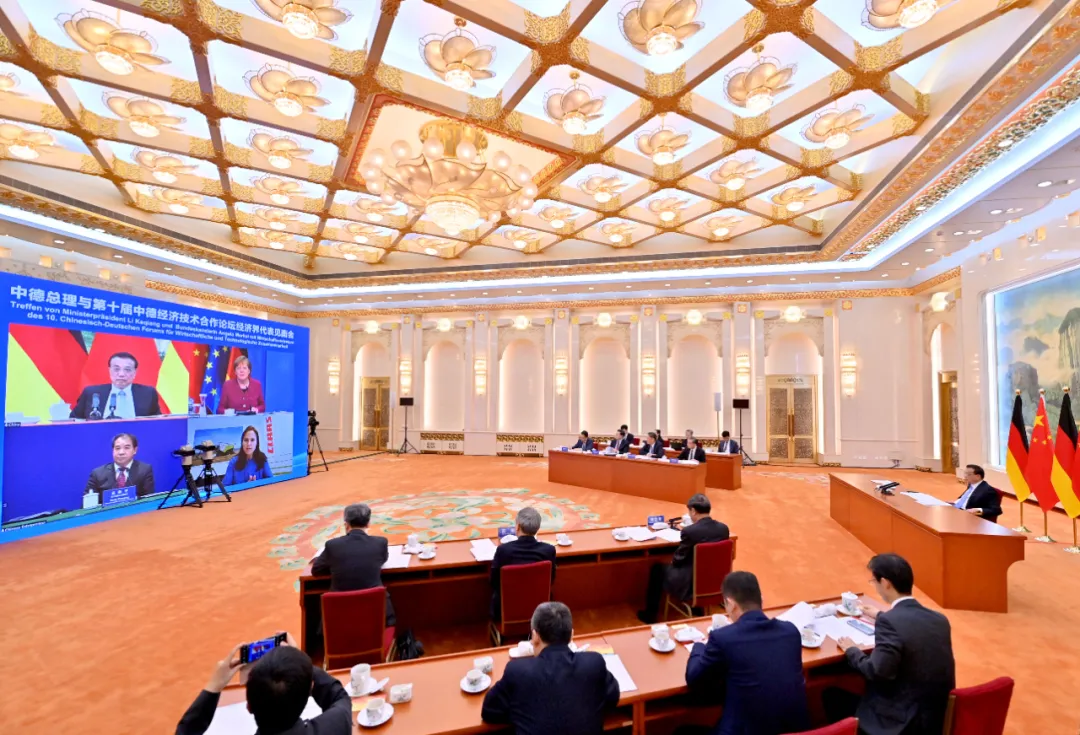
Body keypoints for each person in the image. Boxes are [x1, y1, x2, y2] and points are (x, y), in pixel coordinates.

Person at [824, 553, 956, 735]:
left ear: (885, 583)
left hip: (901, 725)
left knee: (831, 695)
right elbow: (911, 627)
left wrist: (852, 650)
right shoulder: (939, 619)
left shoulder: (890, 622)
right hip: (935, 720)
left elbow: (877, 672)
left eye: (874, 581)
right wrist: (880, 616)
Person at [685, 571, 810, 735]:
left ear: (731, 604)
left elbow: (694, 678)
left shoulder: (723, 638)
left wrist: (698, 646)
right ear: (761, 600)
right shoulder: (790, 631)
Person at [481, 602, 620, 735]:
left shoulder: (517, 671)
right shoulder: (593, 663)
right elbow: (613, 697)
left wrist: (521, 713)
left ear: (535, 636)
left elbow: (489, 711)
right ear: (571, 635)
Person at [175, 633, 351, 735]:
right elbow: (339, 696)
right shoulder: (334, 725)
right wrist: (297, 662)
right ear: (310, 691)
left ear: (249, 706)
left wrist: (213, 687)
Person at [638, 494, 730, 623]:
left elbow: (678, 559)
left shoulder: (690, 532)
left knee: (657, 569)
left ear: (693, 511)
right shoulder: (723, 529)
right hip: (714, 581)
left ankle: (650, 615)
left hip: (689, 584)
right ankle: (698, 608)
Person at [312, 503, 395, 625]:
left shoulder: (333, 545)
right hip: (375, 618)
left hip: (339, 620)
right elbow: (382, 559)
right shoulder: (380, 543)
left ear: (346, 524)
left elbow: (316, 570)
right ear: (368, 523)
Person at [490, 507, 557, 619]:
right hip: (540, 610)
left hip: (506, 610)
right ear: (538, 528)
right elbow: (551, 580)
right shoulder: (549, 550)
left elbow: (494, 582)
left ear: (517, 527)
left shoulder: (503, 550)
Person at [69, 352, 162, 419]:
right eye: (116, 369)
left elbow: (157, 422)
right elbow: (75, 419)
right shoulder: (92, 393)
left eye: (127, 370)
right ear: (109, 370)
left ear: (134, 373)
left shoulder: (148, 394)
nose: (121, 374)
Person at [84, 432, 156, 499]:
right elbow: (87, 504)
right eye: (117, 448)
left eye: (126, 448)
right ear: (113, 450)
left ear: (135, 450)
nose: (121, 452)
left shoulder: (144, 470)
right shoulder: (97, 474)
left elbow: (149, 500)